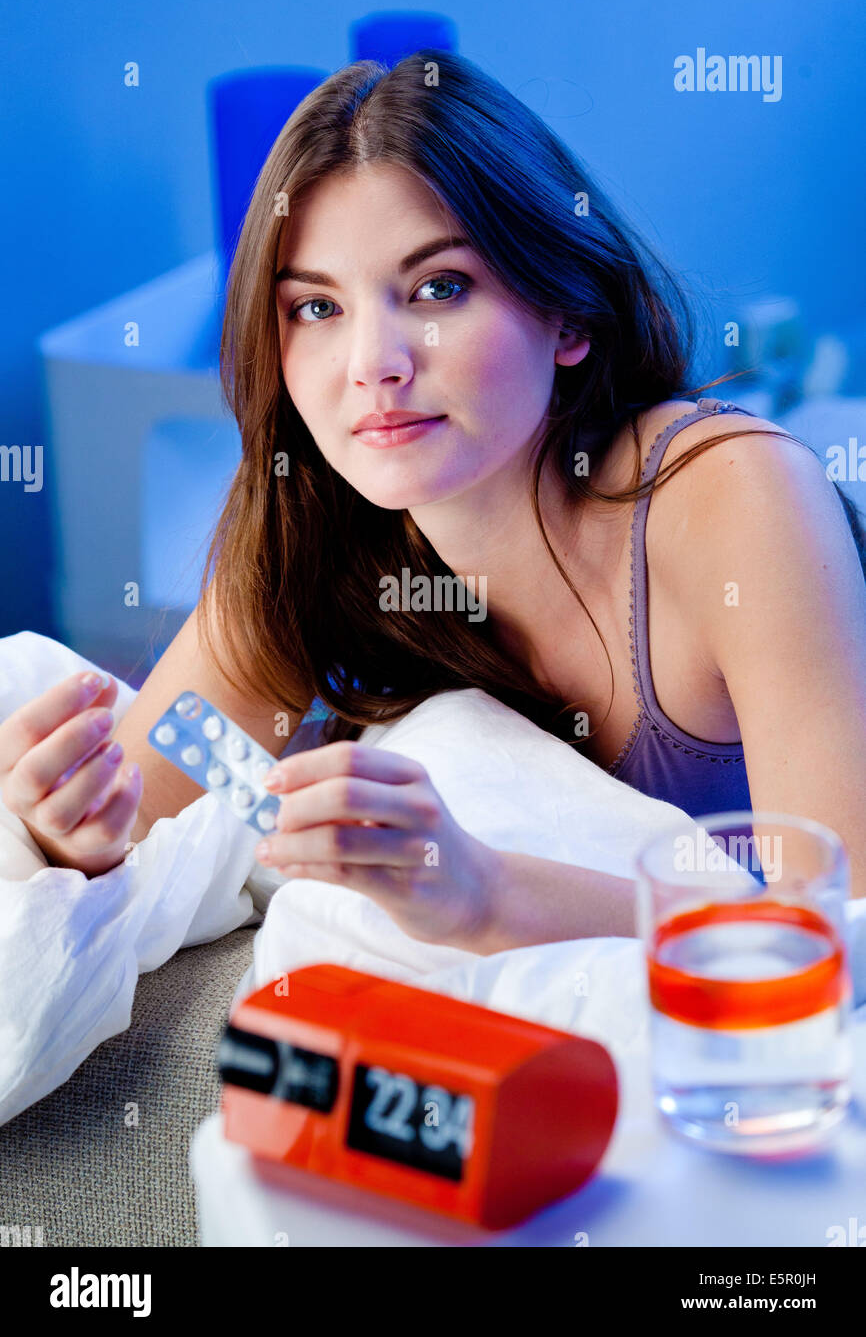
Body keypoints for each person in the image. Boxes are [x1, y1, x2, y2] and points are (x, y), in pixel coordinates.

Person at [2, 50, 866, 951]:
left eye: (437, 289)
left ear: (566, 315)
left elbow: (842, 937)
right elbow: (158, 789)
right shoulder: (309, 535)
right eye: (316, 309)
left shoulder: (732, 495)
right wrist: (74, 834)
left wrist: (483, 893)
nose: (373, 363)